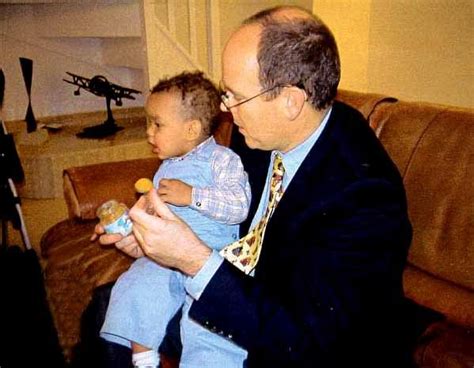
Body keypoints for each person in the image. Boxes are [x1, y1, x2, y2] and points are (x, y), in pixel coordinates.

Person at [96, 5, 413, 367]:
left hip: (290, 336)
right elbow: (232, 222)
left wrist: (191, 259)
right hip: (241, 290)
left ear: (291, 101)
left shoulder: (364, 197)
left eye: (234, 96)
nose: (224, 109)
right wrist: (151, 244)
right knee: (111, 306)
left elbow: (304, 339)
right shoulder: (264, 133)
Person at [99, 71, 251, 368]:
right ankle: (143, 358)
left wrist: (192, 195)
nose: (148, 133)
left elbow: (239, 206)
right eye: (148, 123)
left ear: (191, 129)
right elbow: (152, 214)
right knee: (134, 284)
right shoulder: (165, 168)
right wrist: (125, 226)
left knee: (204, 327)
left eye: (157, 124)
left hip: (211, 260)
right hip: (166, 259)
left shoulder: (222, 160)